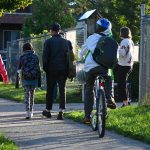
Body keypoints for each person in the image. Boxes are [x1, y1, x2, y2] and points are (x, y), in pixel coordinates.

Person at [79, 18, 117, 124]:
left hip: (90, 67)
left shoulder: (91, 38)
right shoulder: (110, 40)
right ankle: (109, 97)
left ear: (97, 27)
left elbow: (82, 52)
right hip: (103, 67)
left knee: (88, 88)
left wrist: (80, 58)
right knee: (108, 79)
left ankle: (87, 116)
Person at [42, 23, 69, 120]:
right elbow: (69, 57)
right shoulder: (66, 42)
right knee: (62, 89)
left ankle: (48, 110)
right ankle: (61, 111)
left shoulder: (48, 42)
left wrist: (45, 68)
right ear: (59, 30)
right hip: (63, 69)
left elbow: (45, 56)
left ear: (51, 31)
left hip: (51, 69)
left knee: (50, 90)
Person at [17, 43, 41, 119]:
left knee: (27, 95)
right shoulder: (35, 56)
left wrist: (18, 79)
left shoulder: (22, 57)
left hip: (26, 78)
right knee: (32, 95)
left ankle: (27, 112)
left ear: (24, 49)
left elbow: (19, 68)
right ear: (31, 48)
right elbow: (38, 68)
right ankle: (31, 111)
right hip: (34, 77)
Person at [117, 27, 134, 107]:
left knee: (122, 84)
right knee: (125, 83)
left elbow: (122, 53)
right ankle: (128, 100)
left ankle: (125, 102)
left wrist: (118, 49)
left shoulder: (124, 41)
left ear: (122, 33)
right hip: (129, 65)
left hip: (123, 65)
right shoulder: (131, 41)